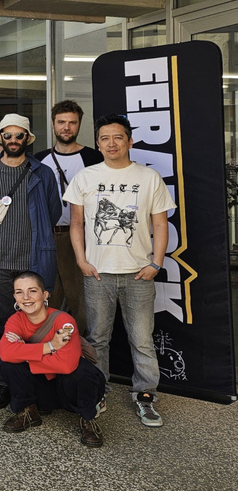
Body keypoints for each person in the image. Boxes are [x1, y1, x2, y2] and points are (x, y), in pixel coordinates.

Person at [65, 113, 175, 428]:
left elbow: (160, 222)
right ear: (97, 143)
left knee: (141, 339)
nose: (111, 143)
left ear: (129, 140)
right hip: (98, 274)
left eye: (117, 137)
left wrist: (156, 262)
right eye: (104, 138)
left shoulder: (148, 177)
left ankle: (145, 396)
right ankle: (97, 392)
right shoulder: (85, 177)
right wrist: (82, 261)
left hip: (138, 273)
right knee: (97, 338)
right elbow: (76, 223)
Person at [0, 113, 61, 410]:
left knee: (33, 322)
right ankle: (3, 380)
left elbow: (53, 211)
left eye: (18, 135)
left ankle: (31, 377)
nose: (12, 141)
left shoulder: (42, 173)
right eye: (7, 136)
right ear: (0, 139)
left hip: (30, 262)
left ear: (27, 139)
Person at [0, 271, 106, 447]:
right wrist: (51, 347)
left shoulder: (63, 320)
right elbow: (5, 353)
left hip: (67, 389)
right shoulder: (15, 321)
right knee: (8, 364)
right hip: (42, 391)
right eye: (19, 292)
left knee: (81, 372)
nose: (26, 297)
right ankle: (29, 412)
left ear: (45, 294)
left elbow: (66, 365)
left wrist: (25, 355)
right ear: (14, 297)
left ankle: (88, 419)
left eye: (32, 291)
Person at [33, 100, 104, 328]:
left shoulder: (94, 159)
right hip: (47, 238)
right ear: (53, 124)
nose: (66, 127)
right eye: (61, 122)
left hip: (83, 239)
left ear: (79, 125)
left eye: (72, 123)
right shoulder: (38, 160)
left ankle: (85, 356)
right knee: (45, 300)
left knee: (83, 303)